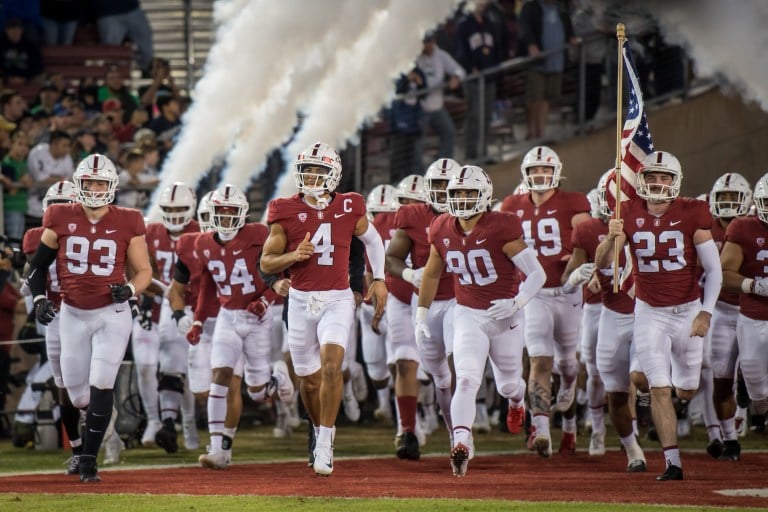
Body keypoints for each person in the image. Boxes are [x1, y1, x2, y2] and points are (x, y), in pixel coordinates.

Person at [260, 142, 388, 476]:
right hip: (301, 301)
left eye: (319, 171)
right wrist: (292, 256)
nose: (313, 177)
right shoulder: (283, 209)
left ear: (334, 175)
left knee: (332, 366)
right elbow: (266, 261)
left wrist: (381, 279)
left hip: (337, 297)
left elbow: (374, 241)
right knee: (310, 381)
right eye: (307, 171)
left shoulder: (350, 205)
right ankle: (319, 431)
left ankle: (327, 442)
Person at [594, 150, 722, 481]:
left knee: (687, 387)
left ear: (675, 182)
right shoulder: (629, 210)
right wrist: (612, 235)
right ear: (641, 179)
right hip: (649, 312)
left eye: (664, 177)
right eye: (652, 176)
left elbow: (714, 270)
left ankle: (683, 408)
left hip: (687, 309)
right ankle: (673, 462)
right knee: (659, 387)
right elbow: (603, 263)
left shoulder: (693, 212)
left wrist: (706, 312)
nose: (658, 183)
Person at [25, 153, 152, 482]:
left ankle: (88, 461)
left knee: (102, 381)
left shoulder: (129, 219)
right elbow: (38, 266)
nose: (94, 189)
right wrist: (39, 297)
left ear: (111, 186)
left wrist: (131, 290)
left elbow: (144, 271)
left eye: (100, 183)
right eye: (89, 183)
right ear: (79, 185)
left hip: (113, 313)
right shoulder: (59, 215)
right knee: (78, 394)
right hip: (72, 314)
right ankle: (95, 436)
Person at [418, 165, 545, 476]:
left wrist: (517, 302)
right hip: (467, 312)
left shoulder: (502, 226)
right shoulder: (441, 227)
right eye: (456, 193)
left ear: (485, 196)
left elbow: (538, 274)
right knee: (466, 378)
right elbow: (433, 272)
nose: (461, 199)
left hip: (505, 314)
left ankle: (518, 402)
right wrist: (422, 313)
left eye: (468, 193)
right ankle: (461, 440)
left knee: (507, 385)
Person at [181, 184, 293, 469]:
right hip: (227, 317)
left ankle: (277, 376)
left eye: (232, 213)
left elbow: (280, 275)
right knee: (219, 375)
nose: (226, 219)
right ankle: (217, 448)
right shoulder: (202, 242)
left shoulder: (258, 234)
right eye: (221, 212)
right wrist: (197, 319)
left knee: (256, 392)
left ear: (243, 215)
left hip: (257, 318)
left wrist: (266, 302)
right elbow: (206, 285)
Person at [500, 145, 591, 458]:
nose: (540, 175)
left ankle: (568, 399)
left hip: (567, 290)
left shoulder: (575, 202)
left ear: (557, 173)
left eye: (545, 170)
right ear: (526, 174)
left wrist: (580, 258)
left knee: (568, 360)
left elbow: (588, 236)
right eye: (535, 170)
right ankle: (540, 429)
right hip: (533, 292)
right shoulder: (511, 205)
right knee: (539, 359)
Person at [567, 170, 647, 472]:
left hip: (645, 313)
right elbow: (567, 282)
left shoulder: (650, 225)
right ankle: (631, 449)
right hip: (607, 312)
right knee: (605, 380)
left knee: (641, 376)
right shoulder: (589, 229)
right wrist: (580, 274)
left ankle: (651, 408)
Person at [142, 182, 200, 453]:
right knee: (171, 364)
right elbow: (144, 269)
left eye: (180, 209)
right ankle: (168, 422)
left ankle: (189, 423)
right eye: (169, 209)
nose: (174, 215)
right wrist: (164, 291)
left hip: (201, 305)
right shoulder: (151, 232)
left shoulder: (202, 231)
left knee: (196, 370)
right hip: (169, 303)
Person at [701, 172, 752, 461]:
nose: (729, 203)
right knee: (718, 377)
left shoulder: (755, 225)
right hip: (721, 309)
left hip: (755, 309)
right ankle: (728, 437)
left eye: (734, 197)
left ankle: (748, 387)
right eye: (723, 197)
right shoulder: (703, 226)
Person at [720, 173, 768, 453]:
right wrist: (755, 285)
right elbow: (724, 274)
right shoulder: (743, 228)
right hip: (753, 318)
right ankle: (755, 407)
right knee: (758, 394)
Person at [454, 0, 508, 160]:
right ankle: (472, 153)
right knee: (475, 116)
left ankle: (483, 151)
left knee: (486, 115)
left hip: (489, 77)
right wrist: (471, 68)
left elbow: (497, 47)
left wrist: (498, 68)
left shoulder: (489, 23)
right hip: (473, 80)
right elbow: (460, 51)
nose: (481, 5)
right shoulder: (464, 25)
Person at [518, 0, 578, 140]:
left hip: (556, 61)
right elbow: (525, 28)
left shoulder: (561, 10)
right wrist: (531, 44)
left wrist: (572, 38)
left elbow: (568, 29)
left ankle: (541, 130)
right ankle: (531, 128)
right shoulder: (531, 8)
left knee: (547, 97)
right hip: (538, 61)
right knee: (535, 96)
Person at [415, 32, 465, 163]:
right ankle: (418, 174)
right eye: (426, 43)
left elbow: (459, 70)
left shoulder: (440, 55)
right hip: (420, 108)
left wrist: (456, 77)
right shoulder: (415, 56)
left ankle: (443, 166)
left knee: (449, 133)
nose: (429, 46)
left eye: (431, 42)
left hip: (437, 107)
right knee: (417, 142)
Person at [25, 130, 74, 231]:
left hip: (55, 210)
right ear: (54, 144)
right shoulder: (38, 152)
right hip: (32, 205)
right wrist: (59, 178)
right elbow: (40, 178)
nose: (67, 149)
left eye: (68, 146)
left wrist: (51, 178)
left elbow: (68, 181)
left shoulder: (67, 158)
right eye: (64, 145)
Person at [91, 0, 154, 74]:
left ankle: (146, 70)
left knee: (147, 50)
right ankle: (115, 78)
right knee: (111, 53)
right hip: (108, 13)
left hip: (132, 9)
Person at [1, 132, 33, 243]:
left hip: (21, 207)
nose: (23, 148)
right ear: (12, 145)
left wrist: (22, 182)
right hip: (10, 207)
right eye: (20, 144)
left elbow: (29, 182)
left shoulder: (23, 163)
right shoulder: (8, 162)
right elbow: (11, 190)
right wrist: (21, 182)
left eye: (26, 145)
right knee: (12, 241)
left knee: (18, 241)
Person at [0, 18, 44, 87]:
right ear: (6, 31)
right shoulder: (1, 45)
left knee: (45, 79)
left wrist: (25, 78)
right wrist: (7, 77)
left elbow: (38, 66)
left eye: (17, 29)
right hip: (6, 77)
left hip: (28, 76)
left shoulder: (31, 45)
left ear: (22, 30)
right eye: (12, 29)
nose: (15, 32)